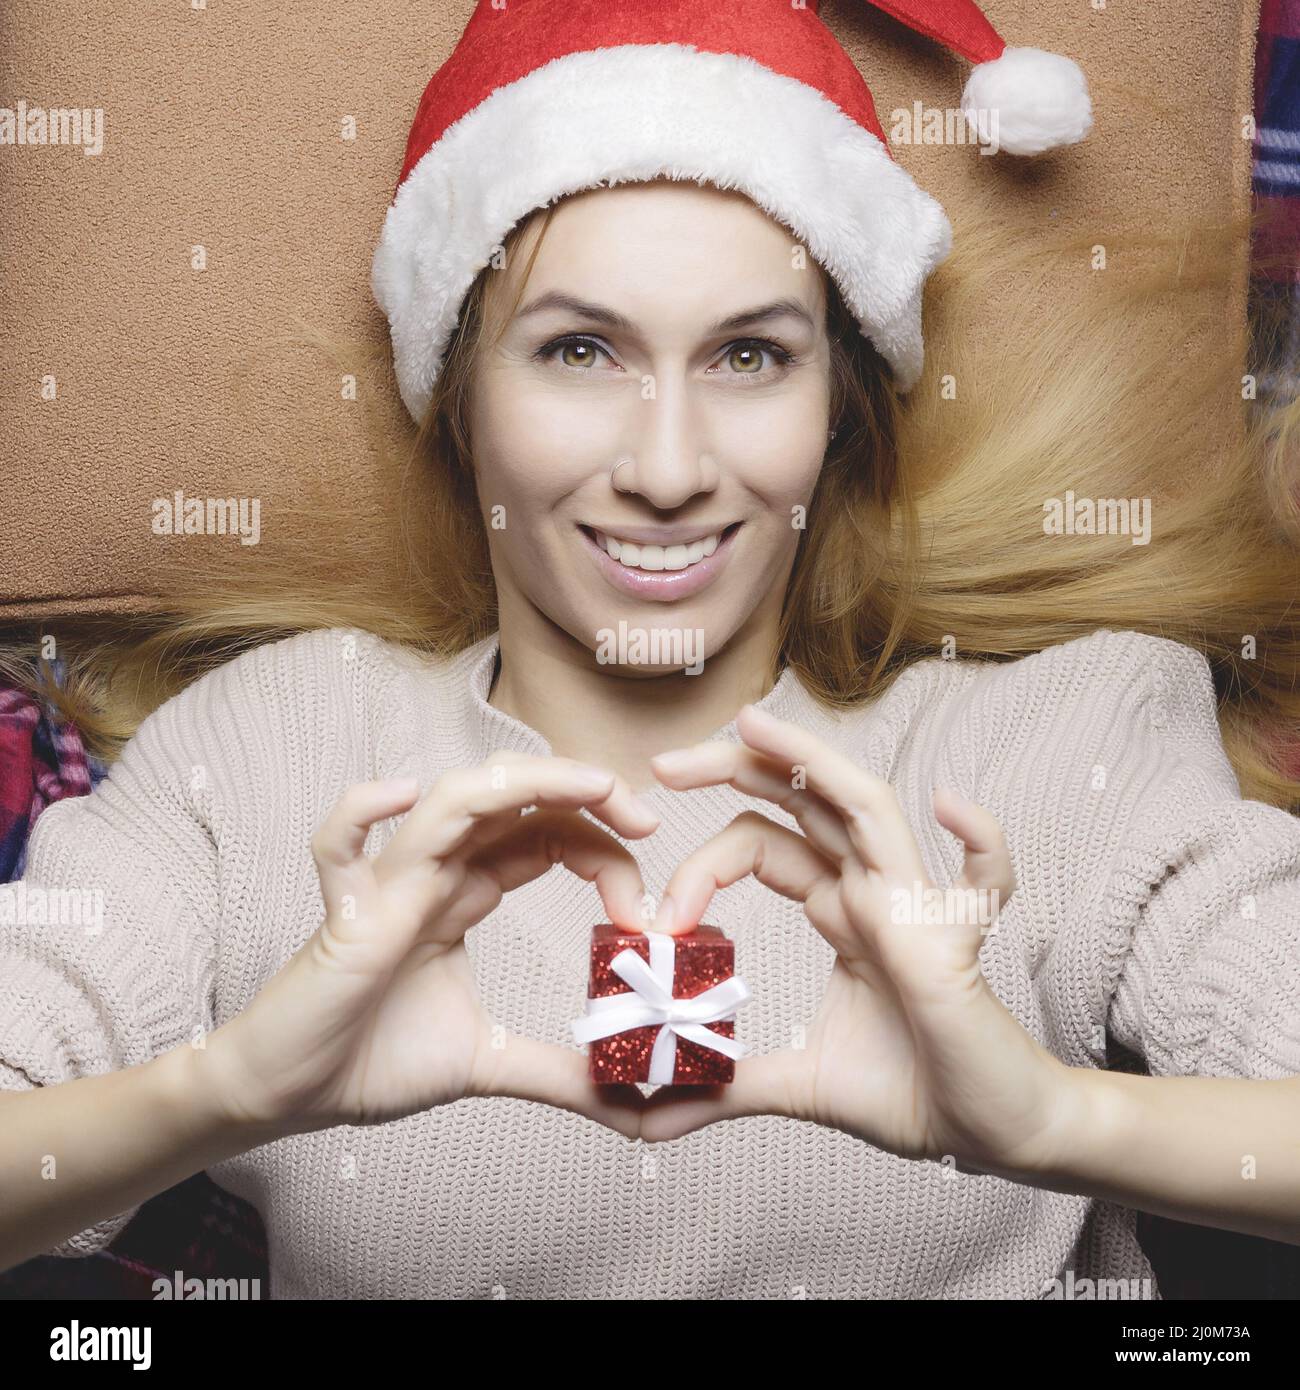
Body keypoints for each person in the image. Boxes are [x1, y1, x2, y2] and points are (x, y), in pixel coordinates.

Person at [3, 0, 1300, 1298]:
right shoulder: (267, 749)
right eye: (578, 349)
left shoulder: (1069, 736)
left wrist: (1050, 1120)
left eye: (750, 354)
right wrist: (226, 1091)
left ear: (837, 408)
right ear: (460, 394)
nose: (669, 469)